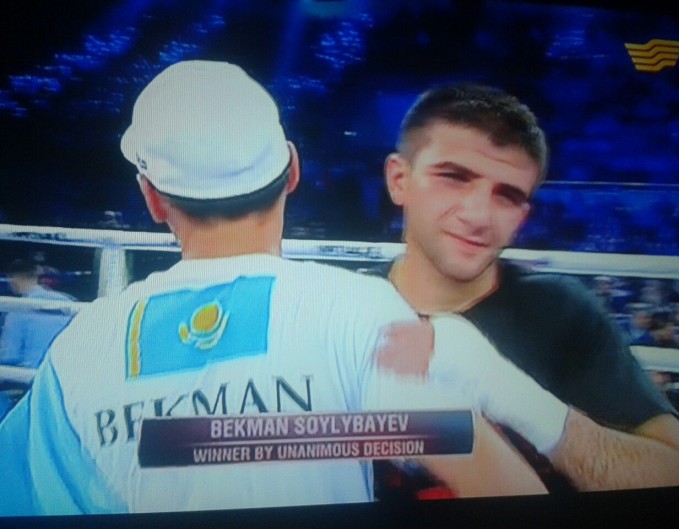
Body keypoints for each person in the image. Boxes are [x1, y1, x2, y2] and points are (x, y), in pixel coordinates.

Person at [0, 62, 547, 516]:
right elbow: (506, 485)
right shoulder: (360, 311)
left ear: (153, 199)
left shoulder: (81, 349)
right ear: (292, 172)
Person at [377, 82, 679, 491]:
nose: (478, 216)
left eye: (507, 195)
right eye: (454, 178)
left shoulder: (559, 311)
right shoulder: (340, 307)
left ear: (522, 216)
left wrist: (517, 398)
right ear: (399, 179)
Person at [0, 258, 75, 369]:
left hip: (29, 374)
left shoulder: (17, 311)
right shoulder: (69, 303)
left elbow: (9, 355)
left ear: (13, 280)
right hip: (63, 372)